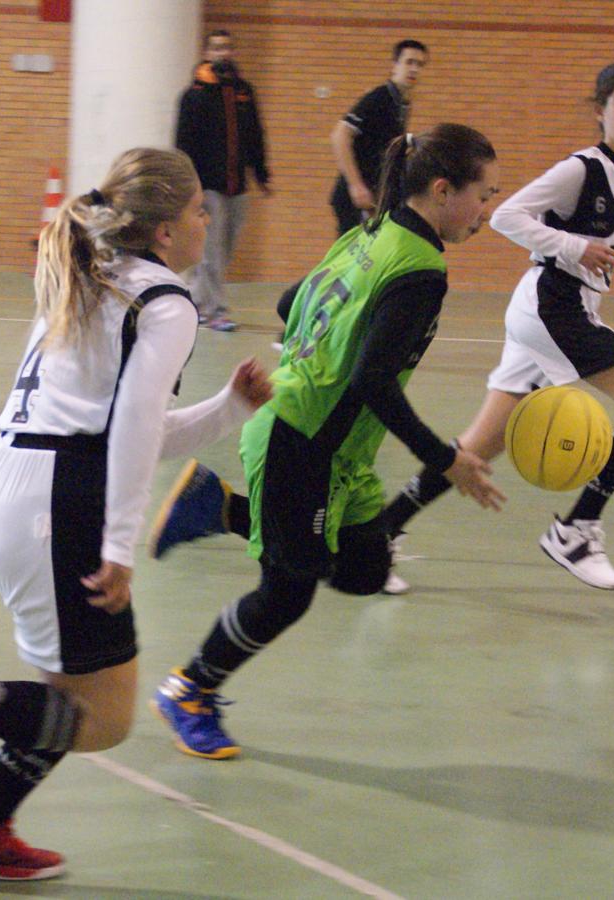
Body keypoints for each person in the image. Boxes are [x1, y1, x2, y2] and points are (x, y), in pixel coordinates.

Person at [0, 147, 272, 882]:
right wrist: (121, 544)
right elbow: (131, 427)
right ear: (166, 231)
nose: (207, 220)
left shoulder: (94, 275)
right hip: (57, 504)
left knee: (64, 700)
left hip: (10, 485)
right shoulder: (165, 301)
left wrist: (228, 409)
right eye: (199, 209)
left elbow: (119, 425)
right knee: (101, 720)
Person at [152, 124, 505, 760]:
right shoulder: (422, 270)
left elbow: (292, 304)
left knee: (367, 569)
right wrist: (448, 459)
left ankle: (218, 507)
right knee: (288, 591)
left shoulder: (370, 232)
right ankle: (189, 690)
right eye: (484, 195)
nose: (487, 211)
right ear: (445, 189)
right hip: (301, 440)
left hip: (330, 440)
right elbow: (374, 383)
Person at [368, 60, 614, 591]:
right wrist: (574, 245)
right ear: (600, 111)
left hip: (566, 310)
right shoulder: (580, 169)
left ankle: (380, 534)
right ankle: (576, 528)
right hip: (553, 306)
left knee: (477, 449)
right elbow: (507, 216)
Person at [175, 29, 271, 332]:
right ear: (207, 53)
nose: (223, 53)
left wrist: (261, 173)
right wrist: (190, 185)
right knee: (212, 251)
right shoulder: (195, 94)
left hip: (237, 186)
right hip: (208, 187)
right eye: (217, 48)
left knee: (224, 249)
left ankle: (194, 302)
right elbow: (183, 143)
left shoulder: (244, 91)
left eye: (227, 47)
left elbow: (256, 134)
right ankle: (217, 311)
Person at [330, 39, 428, 236]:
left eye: (419, 64)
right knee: (352, 260)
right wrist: (356, 186)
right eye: (409, 62)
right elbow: (340, 135)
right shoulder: (379, 98)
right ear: (395, 65)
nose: (414, 69)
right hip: (356, 198)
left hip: (375, 197)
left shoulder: (401, 104)